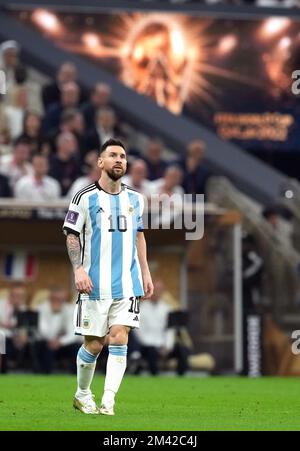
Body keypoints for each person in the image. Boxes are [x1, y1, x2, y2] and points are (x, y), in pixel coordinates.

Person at [63, 138, 153, 415]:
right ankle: (82, 394)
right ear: (100, 162)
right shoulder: (84, 197)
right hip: (94, 284)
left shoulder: (136, 199)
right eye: (113, 155)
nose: (119, 160)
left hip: (127, 283)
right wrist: (78, 268)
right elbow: (71, 235)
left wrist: (145, 271)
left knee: (119, 336)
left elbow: (139, 235)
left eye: (123, 157)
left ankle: (109, 400)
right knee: (94, 343)